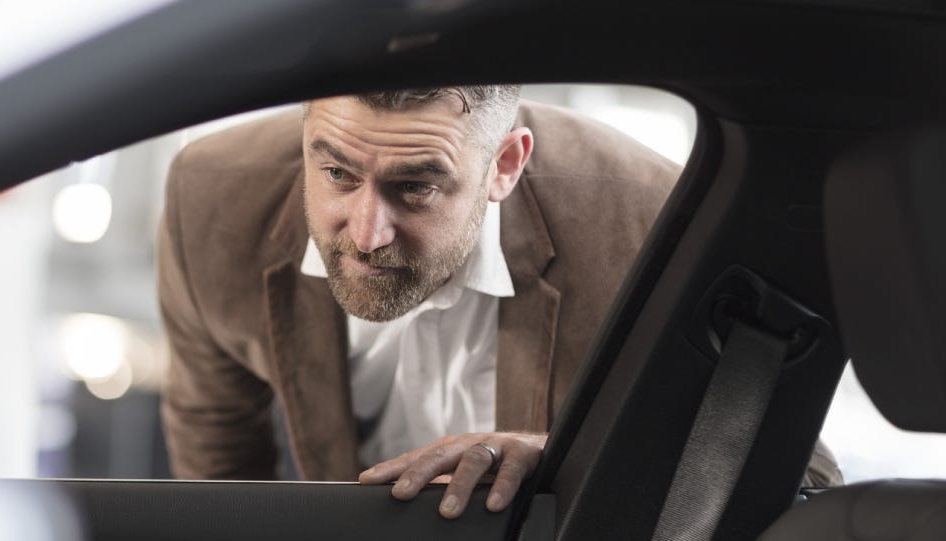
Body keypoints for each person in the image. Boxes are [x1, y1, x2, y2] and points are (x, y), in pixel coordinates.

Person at [158, 86, 780, 519]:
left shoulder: (656, 225)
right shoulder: (209, 201)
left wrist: (563, 457)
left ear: (505, 165)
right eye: (338, 174)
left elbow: (790, 478)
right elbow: (219, 475)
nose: (367, 233)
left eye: (416, 187)